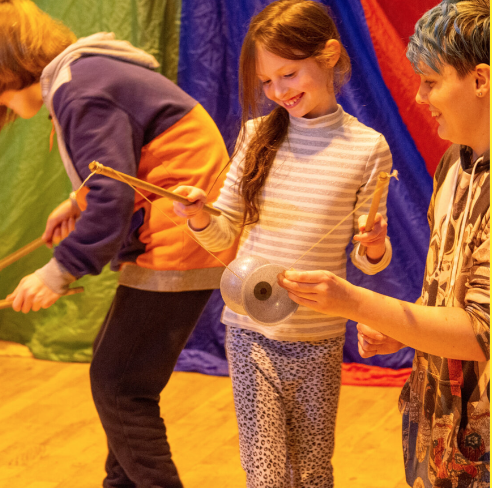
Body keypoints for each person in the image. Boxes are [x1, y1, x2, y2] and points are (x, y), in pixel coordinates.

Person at [0, 1, 238, 486]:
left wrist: (58, 270)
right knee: (123, 384)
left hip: (180, 239)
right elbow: (122, 165)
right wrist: (76, 201)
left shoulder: (79, 87)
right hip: (181, 237)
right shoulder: (87, 73)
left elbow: (114, 193)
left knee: (119, 386)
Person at [172, 1, 393, 485]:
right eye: (267, 82)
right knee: (266, 474)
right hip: (249, 331)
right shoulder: (254, 136)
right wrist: (198, 216)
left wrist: (374, 244)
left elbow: (368, 262)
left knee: (312, 471)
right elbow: (225, 235)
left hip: (319, 337)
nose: (278, 91)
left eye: (288, 74)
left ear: (330, 54)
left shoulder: (368, 148)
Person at [278, 0, 490, 486]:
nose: (419, 97)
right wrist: (404, 330)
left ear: (480, 80)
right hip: (439, 427)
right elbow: (450, 297)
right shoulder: (453, 166)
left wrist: (352, 301)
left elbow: (480, 332)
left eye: (432, 82)